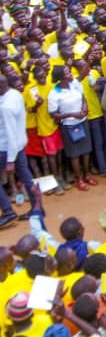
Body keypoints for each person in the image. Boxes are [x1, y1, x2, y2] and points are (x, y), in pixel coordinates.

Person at [0, 74, 32, 228]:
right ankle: (37, 207)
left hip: (7, 148)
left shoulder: (6, 107)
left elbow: (10, 133)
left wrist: (10, 160)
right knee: (26, 177)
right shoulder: (14, 93)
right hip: (20, 144)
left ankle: (7, 211)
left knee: (25, 176)